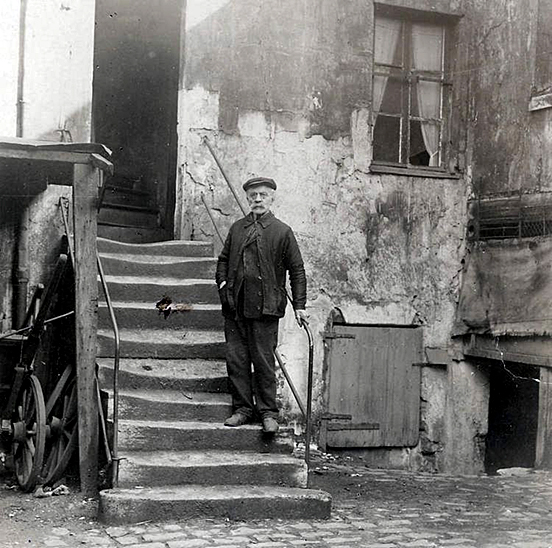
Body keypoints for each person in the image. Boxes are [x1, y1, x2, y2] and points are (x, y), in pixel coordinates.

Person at [215, 176, 308, 434]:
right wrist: (223, 287)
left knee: (264, 362)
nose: (257, 199)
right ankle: (242, 410)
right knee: (237, 360)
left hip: (266, 308)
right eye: (253, 195)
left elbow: (297, 270)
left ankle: (268, 413)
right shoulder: (237, 229)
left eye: (263, 195)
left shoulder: (281, 231)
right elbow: (223, 260)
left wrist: (299, 305)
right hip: (236, 307)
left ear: (271, 198)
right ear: (247, 198)